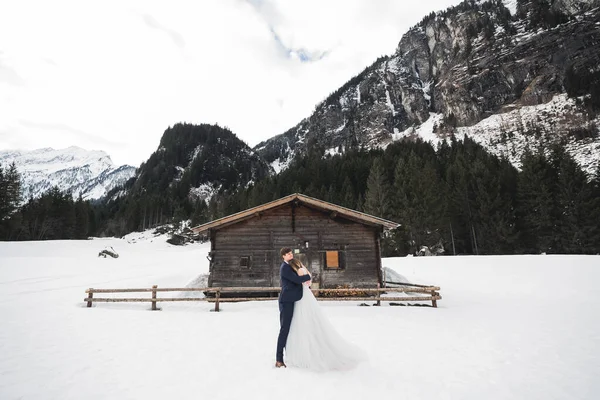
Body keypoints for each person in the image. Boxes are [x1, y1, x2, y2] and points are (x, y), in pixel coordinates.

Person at [284, 258, 367, 371]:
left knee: (301, 319)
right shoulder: (304, 269)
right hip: (308, 294)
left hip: (302, 296)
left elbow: (300, 282)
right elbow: (309, 281)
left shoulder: (298, 271)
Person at [275, 248, 311, 368]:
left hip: (293, 299)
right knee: (285, 329)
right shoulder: (284, 268)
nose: (290, 255)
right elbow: (296, 280)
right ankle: (279, 359)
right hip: (286, 301)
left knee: (292, 327)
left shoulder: (291, 265)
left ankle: (292, 353)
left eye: (291, 253)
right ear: (283, 257)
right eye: (287, 254)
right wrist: (308, 277)